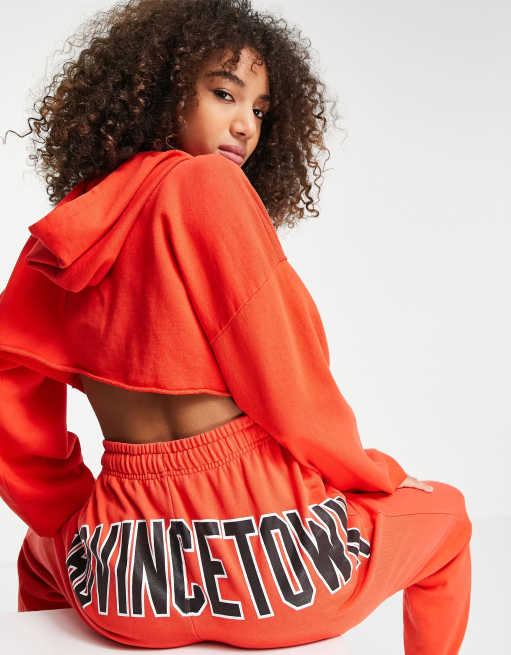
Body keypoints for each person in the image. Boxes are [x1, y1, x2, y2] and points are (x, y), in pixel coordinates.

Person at [0, 0, 471, 652]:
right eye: (224, 93)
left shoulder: (69, 227)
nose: (245, 125)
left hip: (122, 587)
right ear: (163, 89)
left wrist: (62, 508)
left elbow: (7, 380)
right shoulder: (209, 185)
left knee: (40, 548)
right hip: (276, 574)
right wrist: (373, 473)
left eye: (259, 110)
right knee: (449, 518)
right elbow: (292, 386)